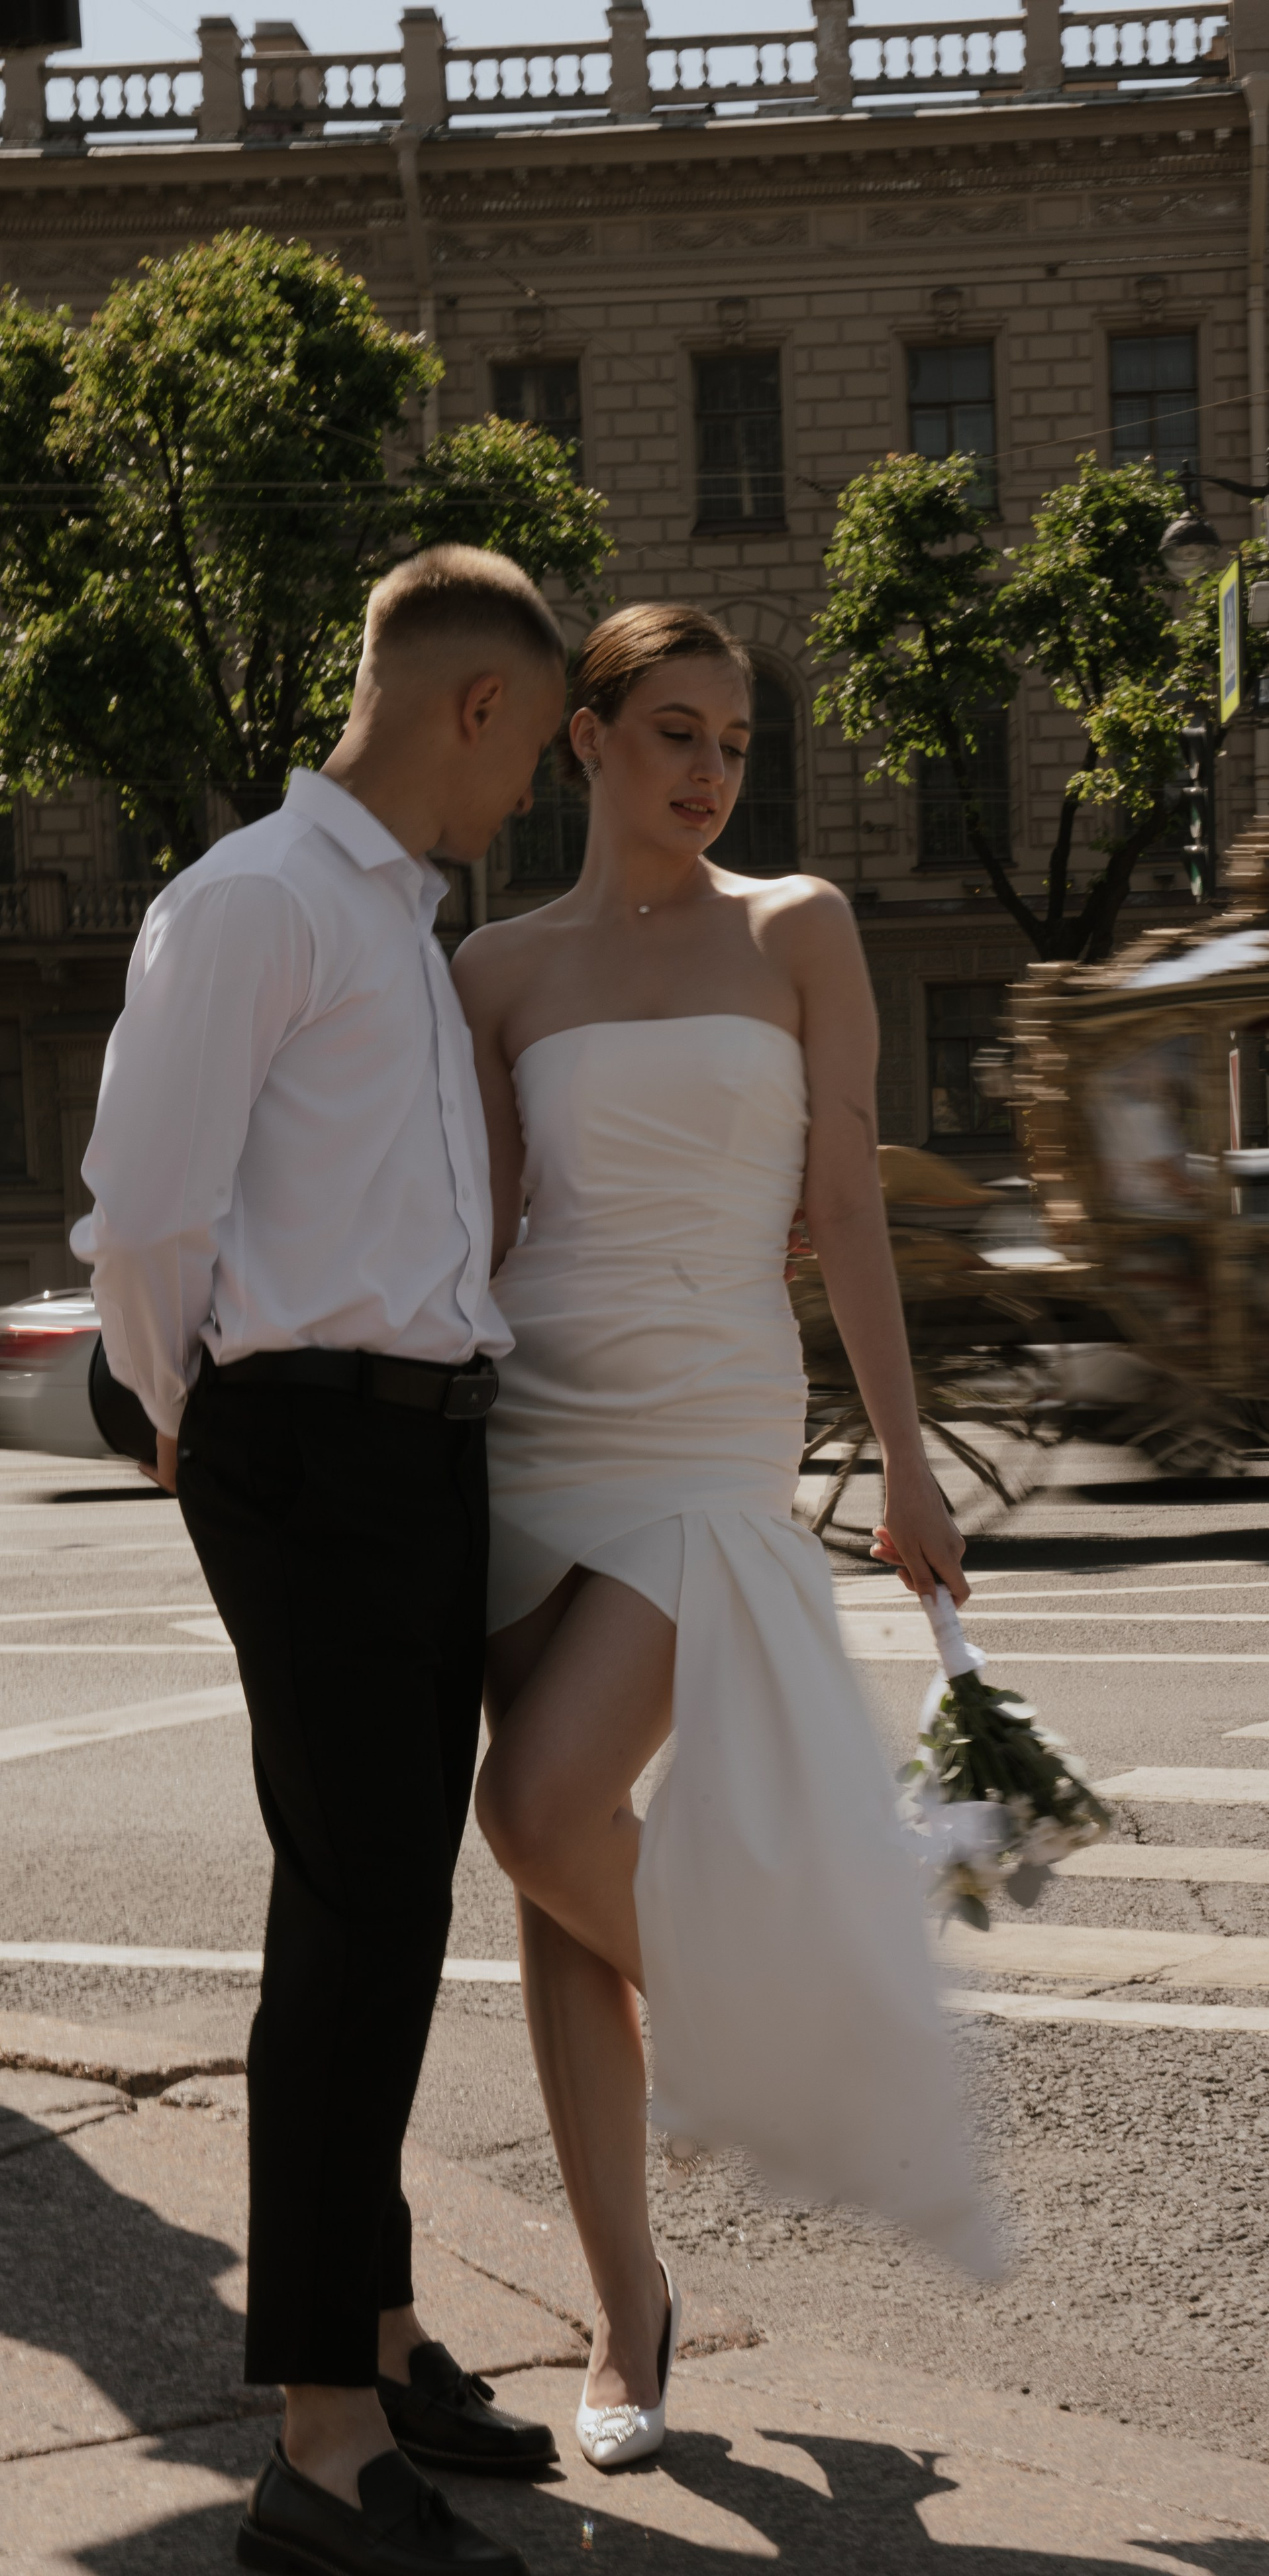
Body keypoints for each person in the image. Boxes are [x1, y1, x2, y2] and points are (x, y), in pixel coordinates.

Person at [453, 601, 999, 2475]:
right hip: (536, 1418)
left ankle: (783, 2036)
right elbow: (477, 1238)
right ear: (586, 740)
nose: (708, 772)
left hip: (706, 1423)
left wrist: (907, 1467)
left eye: (735, 744)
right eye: (673, 733)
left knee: (533, 1812)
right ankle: (628, 2312)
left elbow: (843, 1206)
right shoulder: (496, 967)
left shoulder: (802, 930)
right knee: (551, 1879)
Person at [73, 547, 570, 2576]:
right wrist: (183, 1415)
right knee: (349, 1926)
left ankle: (374, 2331)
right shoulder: (259, 902)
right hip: (307, 1444)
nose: (533, 784)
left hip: (410, 1449)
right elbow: (145, 1210)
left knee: (383, 1912)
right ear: (469, 711)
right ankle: (323, 2441)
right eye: (535, 743)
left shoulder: (391, 926)